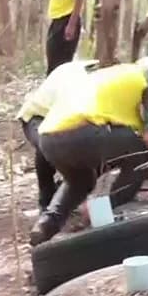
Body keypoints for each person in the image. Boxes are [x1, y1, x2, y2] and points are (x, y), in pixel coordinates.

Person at [30, 54, 148, 245]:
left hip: (49, 139)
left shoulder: (121, 77)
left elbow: (128, 150)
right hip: (79, 132)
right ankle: (103, 208)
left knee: (81, 181)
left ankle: (46, 226)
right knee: (144, 148)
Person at [17, 59, 100, 212]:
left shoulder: (95, 79)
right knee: (48, 145)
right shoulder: (78, 82)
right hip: (37, 116)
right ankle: (47, 202)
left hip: (62, 117)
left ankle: (68, 194)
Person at [46, 0, 87, 73]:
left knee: (60, 69)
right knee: (52, 67)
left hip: (68, 20)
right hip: (56, 19)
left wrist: (72, 24)